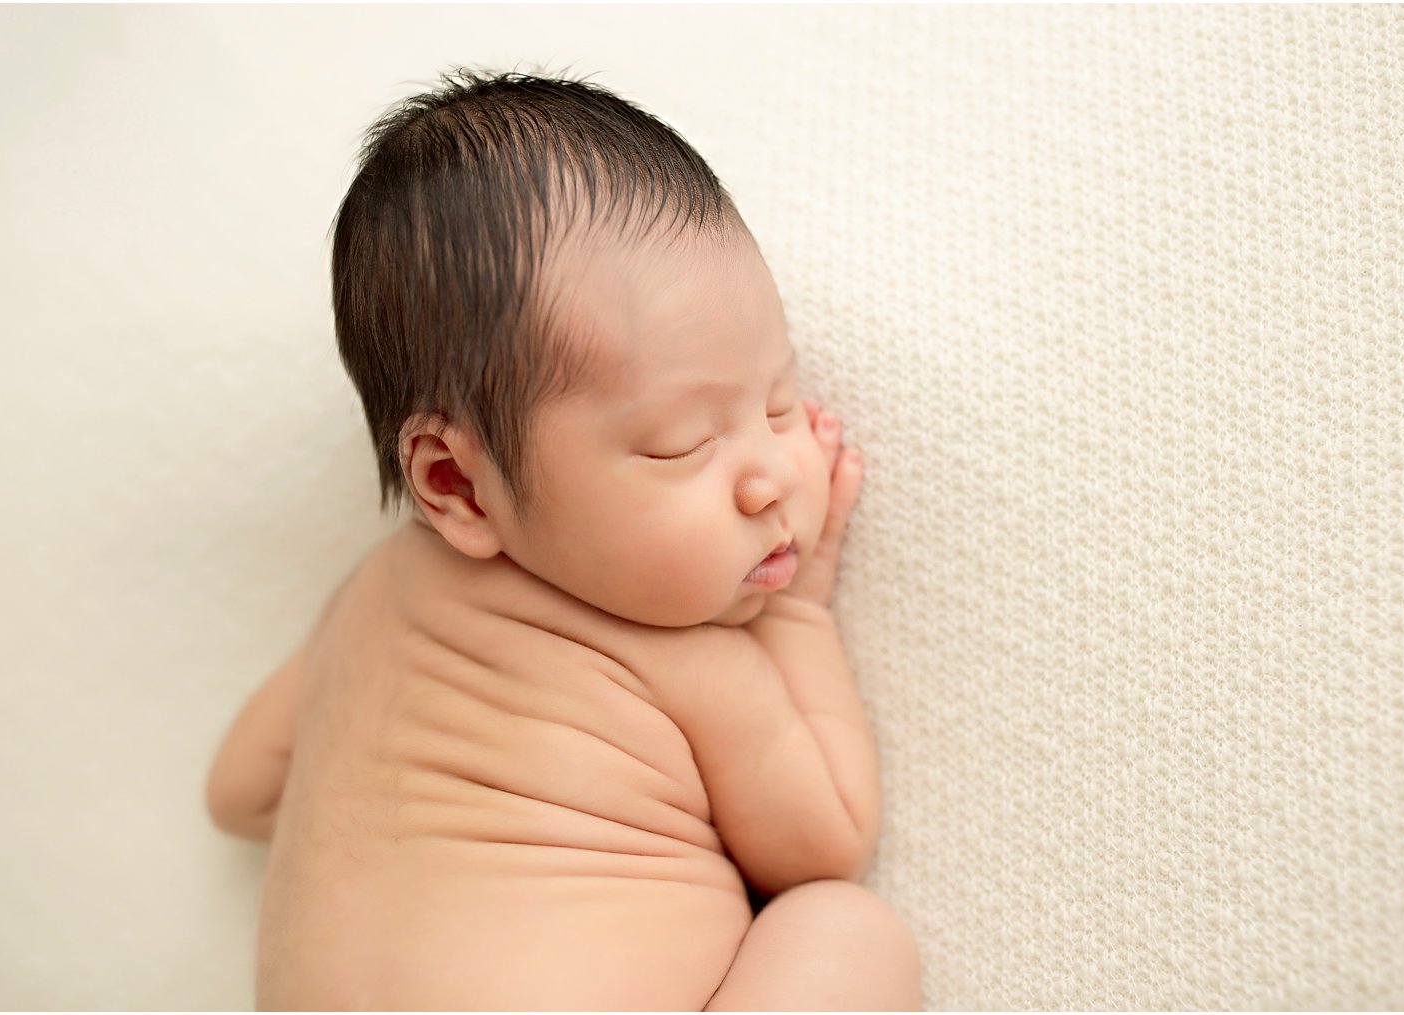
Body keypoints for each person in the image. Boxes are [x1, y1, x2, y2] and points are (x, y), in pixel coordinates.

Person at [205, 69, 920, 1011]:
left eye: (780, 402)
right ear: (457, 482)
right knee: (845, 927)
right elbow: (828, 841)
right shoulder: (689, 656)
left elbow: (237, 792)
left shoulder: (369, 599)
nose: (773, 476)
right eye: (683, 443)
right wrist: (795, 615)